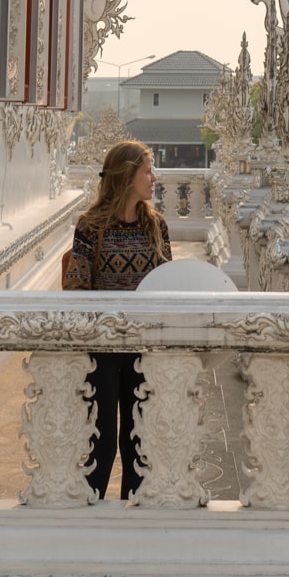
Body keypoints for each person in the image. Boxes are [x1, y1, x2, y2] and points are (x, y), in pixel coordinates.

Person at [62, 139, 171, 500]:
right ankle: (90, 517)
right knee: (103, 440)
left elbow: (166, 286)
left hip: (144, 349)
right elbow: (77, 288)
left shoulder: (156, 227)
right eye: (147, 171)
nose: (153, 178)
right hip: (104, 349)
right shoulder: (91, 227)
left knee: (138, 442)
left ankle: (133, 518)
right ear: (127, 177)